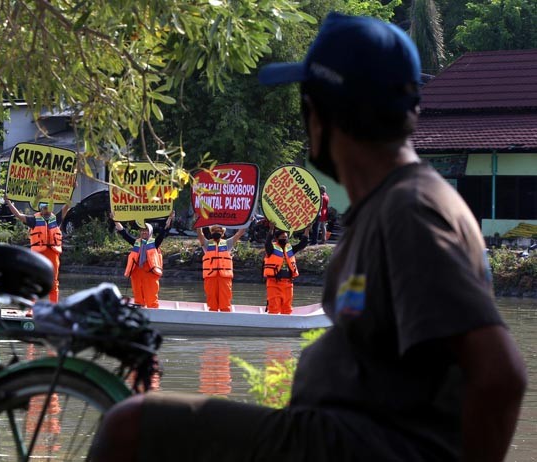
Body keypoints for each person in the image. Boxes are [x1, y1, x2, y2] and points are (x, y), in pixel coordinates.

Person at [90, 12, 526, 462]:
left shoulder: (410, 213)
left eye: (308, 104)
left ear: (326, 115)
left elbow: (500, 376)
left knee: (131, 424)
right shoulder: (386, 205)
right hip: (325, 432)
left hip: (340, 444)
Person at [5, 195, 71, 302]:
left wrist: (72, 190)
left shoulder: (56, 219)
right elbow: (18, 215)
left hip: (53, 253)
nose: (47, 210)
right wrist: (8, 203)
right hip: (38, 254)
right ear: (41, 209)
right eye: (45, 208)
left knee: (54, 282)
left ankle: (53, 306)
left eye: (49, 207)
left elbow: (67, 206)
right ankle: (31, 307)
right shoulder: (33, 220)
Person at [114, 212, 174, 308]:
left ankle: (154, 313)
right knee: (138, 300)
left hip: (150, 274)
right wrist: (115, 220)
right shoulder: (136, 242)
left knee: (151, 299)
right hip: (136, 275)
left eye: (146, 230)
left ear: (150, 232)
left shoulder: (155, 243)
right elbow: (123, 233)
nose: (144, 232)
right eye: (142, 230)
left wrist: (170, 218)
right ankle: (139, 313)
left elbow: (164, 231)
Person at [197, 224, 245, 312]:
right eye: (214, 231)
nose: (216, 232)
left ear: (222, 233)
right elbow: (200, 233)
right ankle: (212, 316)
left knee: (225, 302)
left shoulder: (227, 243)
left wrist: (247, 222)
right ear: (211, 233)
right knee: (212, 302)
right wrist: (198, 222)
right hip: (210, 277)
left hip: (224, 278)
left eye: (219, 230)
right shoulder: (206, 244)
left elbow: (239, 233)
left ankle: (226, 316)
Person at [263, 226, 310, 315]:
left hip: (288, 283)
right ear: (277, 238)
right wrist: (271, 229)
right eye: (282, 237)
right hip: (274, 283)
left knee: (287, 307)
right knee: (274, 307)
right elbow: (267, 243)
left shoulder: (290, 249)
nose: (284, 239)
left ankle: (287, 321)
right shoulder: (271, 249)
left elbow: (302, 244)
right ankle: (273, 321)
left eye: (286, 237)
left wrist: (307, 230)